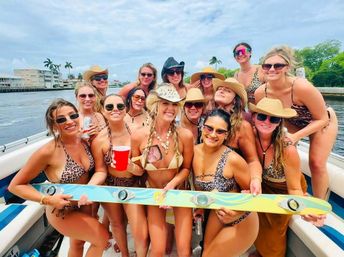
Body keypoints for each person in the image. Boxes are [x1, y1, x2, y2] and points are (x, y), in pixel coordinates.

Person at [8, 99, 109, 257]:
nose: (69, 121)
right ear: (54, 126)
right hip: (63, 211)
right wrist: (48, 200)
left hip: (86, 203)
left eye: (73, 115)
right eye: (61, 119)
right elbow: (15, 186)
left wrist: (88, 189)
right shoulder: (48, 151)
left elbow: (99, 170)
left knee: (77, 244)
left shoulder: (84, 141)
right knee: (102, 238)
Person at [254, 45, 338, 199]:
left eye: (278, 65)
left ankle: (318, 206)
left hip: (320, 121)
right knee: (284, 152)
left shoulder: (301, 87)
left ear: (287, 67)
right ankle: (291, 188)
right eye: (267, 65)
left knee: (316, 163)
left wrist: (296, 137)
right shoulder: (261, 92)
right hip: (291, 120)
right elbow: (265, 116)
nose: (272, 69)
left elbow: (322, 118)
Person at [248, 97, 323, 257]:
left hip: (285, 188)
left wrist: (304, 208)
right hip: (263, 184)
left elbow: (294, 188)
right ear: (254, 117)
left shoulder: (287, 149)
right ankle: (260, 251)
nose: (267, 122)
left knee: (275, 230)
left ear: (279, 122)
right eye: (262, 116)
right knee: (256, 221)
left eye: (273, 118)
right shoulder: (249, 137)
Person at [131, 84, 194, 257]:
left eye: (175, 104)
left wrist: (172, 185)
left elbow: (186, 168)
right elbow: (138, 171)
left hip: (179, 192)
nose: (171, 108)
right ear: (155, 105)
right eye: (166, 103)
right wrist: (129, 167)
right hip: (155, 194)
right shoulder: (138, 136)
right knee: (157, 250)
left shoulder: (185, 135)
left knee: (184, 250)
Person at [192, 108, 259, 257]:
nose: (213, 134)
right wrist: (200, 208)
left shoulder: (233, 160)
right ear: (203, 127)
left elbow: (256, 199)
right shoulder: (193, 152)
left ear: (226, 135)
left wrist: (237, 213)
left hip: (242, 219)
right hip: (217, 216)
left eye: (220, 131)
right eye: (209, 128)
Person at [89, 94, 149, 257]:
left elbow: (142, 170)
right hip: (109, 184)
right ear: (103, 110)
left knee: (140, 232)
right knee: (117, 223)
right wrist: (89, 188)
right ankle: (124, 254)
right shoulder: (99, 140)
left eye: (119, 106)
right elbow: (101, 171)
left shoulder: (136, 134)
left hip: (133, 183)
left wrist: (130, 166)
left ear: (125, 109)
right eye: (110, 107)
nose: (115, 109)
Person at [213, 78, 262, 195]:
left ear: (235, 100)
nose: (221, 91)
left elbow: (253, 160)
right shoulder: (208, 120)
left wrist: (255, 179)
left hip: (233, 188)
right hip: (208, 186)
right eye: (219, 89)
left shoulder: (242, 126)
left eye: (228, 90)